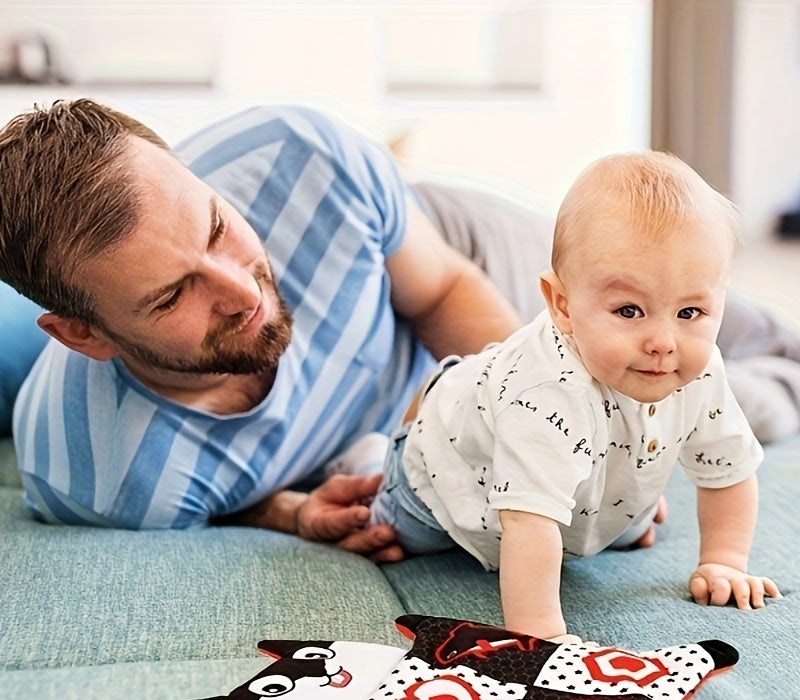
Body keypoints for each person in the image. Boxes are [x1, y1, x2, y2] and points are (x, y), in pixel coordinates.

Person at [1, 99, 799, 561]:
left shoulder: (303, 155)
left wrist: (549, 425)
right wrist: (290, 511)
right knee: (743, 399)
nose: (243, 289)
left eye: (217, 226)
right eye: (176, 293)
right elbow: (221, 501)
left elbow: (445, 284)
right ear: (84, 336)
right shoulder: (101, 478)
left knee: (680, 307)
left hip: (443, 261)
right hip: (405, 401)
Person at [369, 151, 782, 640]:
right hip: (444, 477)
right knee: (397, 532)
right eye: (629, 311)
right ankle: (366, 458)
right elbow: (527, 523)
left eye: (690, 313)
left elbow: (729, 470)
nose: (663, 342)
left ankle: (606, 500)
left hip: (587, 473)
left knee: (620, 521)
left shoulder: (699, 368)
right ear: (562, 305)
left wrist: (724, 561)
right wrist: (542, 636)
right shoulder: (545, 393)